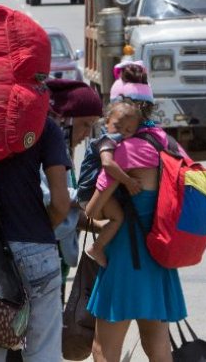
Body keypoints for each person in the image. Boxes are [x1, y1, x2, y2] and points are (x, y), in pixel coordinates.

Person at [85, 64, 187, 362]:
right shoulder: (165, 142)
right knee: (157, 344)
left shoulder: (125, 151)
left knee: (103, 349)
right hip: (159, 253)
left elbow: (93, 210)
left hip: (126, 256)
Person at [0, 115, 72, 361]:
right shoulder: (42, 124)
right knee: (42, 349)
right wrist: (42, 231)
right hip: (35, 243)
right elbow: (60, 202)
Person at [42, 79, 103, 300]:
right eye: (85, 124)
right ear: (66, 119)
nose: (87, 133)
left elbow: (68, 210)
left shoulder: (64, 153)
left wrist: (102, 229)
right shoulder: (45, 150)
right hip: (43, 257)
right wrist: (97, 195)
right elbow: (55, 202)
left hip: (57, 258)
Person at [84, 101, 142, 267]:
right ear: (107, 121)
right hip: (90, 191)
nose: (122, 133)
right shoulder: (106, 141)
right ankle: (96, 248)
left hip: (95, 191)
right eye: (117, 126)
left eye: (128, 131)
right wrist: (128, 181)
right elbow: (108, 165)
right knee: (118, 218)